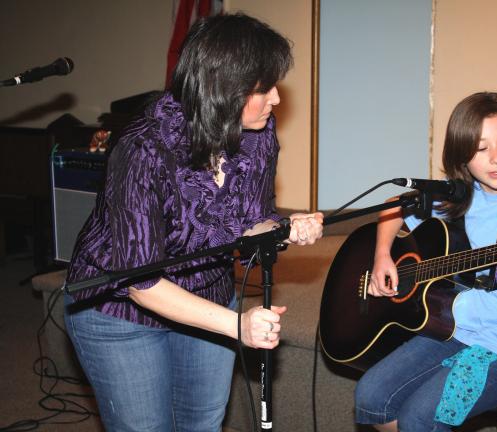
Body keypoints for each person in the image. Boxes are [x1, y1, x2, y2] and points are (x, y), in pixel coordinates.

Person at [63, 13, 323, 432]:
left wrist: (285, 228)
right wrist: (239, 325)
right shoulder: (143, 149)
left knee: (202, 423)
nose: (276, 98)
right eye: (263, 88)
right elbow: (141, 283)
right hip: (118, 311)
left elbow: (249, 220)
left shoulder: (258, 134)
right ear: (224, 89)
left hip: (208, 293)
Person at [354, 92, 497, 431]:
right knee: (371, 396)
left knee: (419, 416)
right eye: (481, 148)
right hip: (452, 328)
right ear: (462, 155)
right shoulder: (457, 197)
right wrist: (382, 256)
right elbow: (393, 206)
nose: (496, 159)